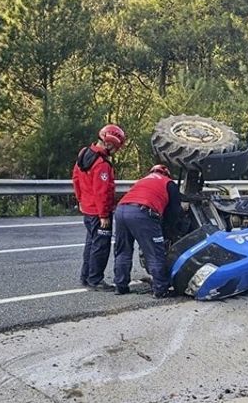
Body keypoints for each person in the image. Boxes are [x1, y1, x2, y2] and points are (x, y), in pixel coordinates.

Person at [113, 163, 183, 297]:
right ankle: (160, 289)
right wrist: (170, 229)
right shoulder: (168, 183)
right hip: (142, 212)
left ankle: (120, 286)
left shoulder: (142, 181)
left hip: (121, 210)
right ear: (166, 173)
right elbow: (174, 211)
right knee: (155, 252)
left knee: (123, 250)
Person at [72, 124, 127, 291]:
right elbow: (102, 191)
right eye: (116, 147)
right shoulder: (102, 164)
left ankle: (86, 277)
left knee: (90, 244)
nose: (116, 151)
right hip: (99, 212)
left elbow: (75, 179)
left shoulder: (84, 154)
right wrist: (104, 215)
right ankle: (96, 279)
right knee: (101, 246)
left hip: (87, 209)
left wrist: (81, 199)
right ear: (109, 143)